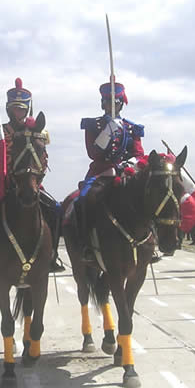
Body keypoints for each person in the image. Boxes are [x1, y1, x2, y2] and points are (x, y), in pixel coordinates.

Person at [0, 78, 65, 272]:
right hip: (4, 182)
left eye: (21, 109)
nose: (18, 112)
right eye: (14, 109)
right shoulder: (0, 132)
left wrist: (37, 177)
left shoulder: (37, 131)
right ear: (8, 109)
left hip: (30, 182)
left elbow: (43, 158)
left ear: (27, 109)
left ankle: (53, 255)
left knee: (54, 210)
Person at [75, 81, 144, 262]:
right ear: (102, 103)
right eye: (108, 102)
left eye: (115, 103)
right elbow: (93, 152)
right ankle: (86, 245)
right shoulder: (92, 125)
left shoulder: (132, 127)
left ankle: (148, 244)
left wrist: (126, 165)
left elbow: (139, 154)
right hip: (101, 172)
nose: (111, 106)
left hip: (126, 172)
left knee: (146, 196)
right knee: (84, 199)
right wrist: (108, 130)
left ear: (121, 104)